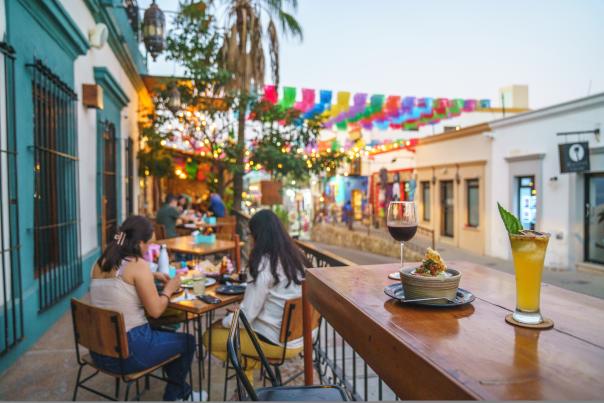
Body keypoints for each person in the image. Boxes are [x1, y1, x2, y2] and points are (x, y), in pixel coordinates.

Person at [89, 216, 194, 401]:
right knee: (187, 342)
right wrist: (169, 290)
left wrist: (151, 275)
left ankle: (181, 390)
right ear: (138, 243)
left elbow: (121, 279)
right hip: (129, 354)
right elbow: (155, 311)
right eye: (147, 244)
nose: (147, 250)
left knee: (164, 335)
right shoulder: (138, 265)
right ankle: (175, 396)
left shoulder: (100, 263)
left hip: (99, 350)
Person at [203, 209, 310, 381]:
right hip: (302, 338)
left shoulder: (263, 263)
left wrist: (226, 320)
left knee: (210, 336)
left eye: (250, 234)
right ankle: (247, 385)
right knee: (236, 329)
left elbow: (248, 315)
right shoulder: (297, 257)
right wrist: (241, 312)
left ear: (257, 236)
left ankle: (247, 383)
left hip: (275, 343)